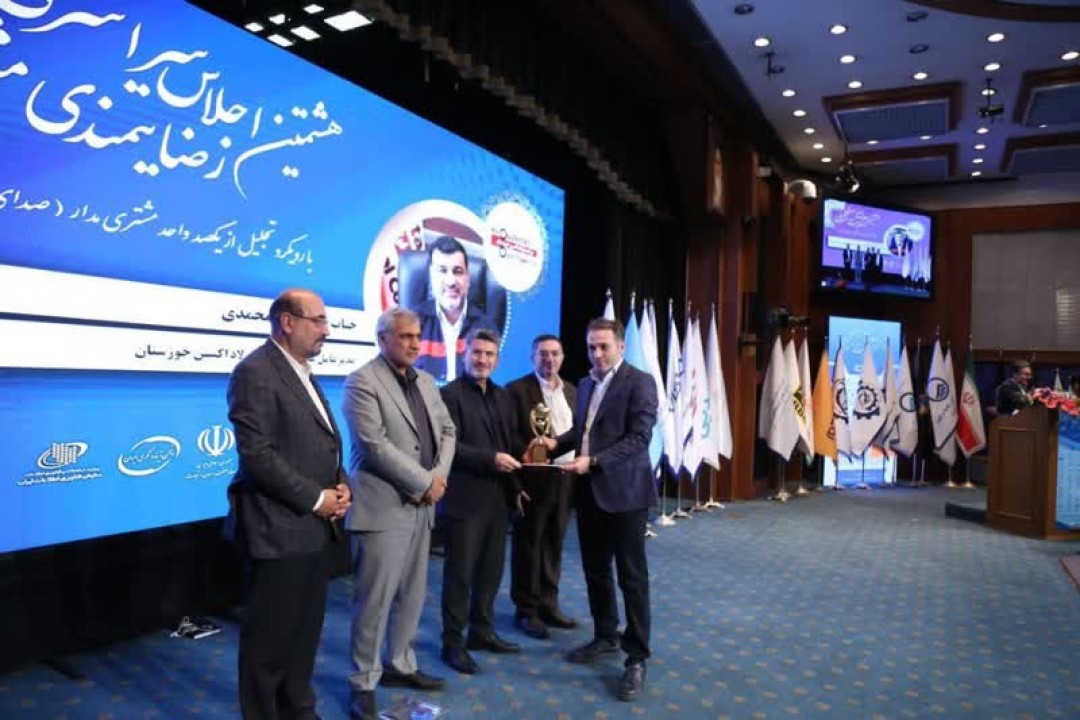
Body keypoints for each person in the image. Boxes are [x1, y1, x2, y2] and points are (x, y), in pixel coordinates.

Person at [224, 288, 352, 720]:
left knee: (303, 637)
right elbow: (257, 455)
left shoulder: (302, 372)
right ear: (287, 322)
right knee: (268, 645)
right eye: (318, 320)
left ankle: (298, 710)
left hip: (313, 531)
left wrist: (341, 484)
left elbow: (320, 443)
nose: (326, 330)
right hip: (277, 530)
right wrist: (317, 499)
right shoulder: (255, 372)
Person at [341, 307, 457, 720]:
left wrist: (438, 478)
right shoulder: (361, 381)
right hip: (382, 508)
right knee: (374, 602)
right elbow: (374, 446)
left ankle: (400, 663)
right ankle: (363, 681)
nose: (413, 343)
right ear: (382, 338)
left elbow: (448, 431)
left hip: (423, 507)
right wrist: (426, 482)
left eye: (417, 336)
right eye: (405, 336)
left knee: (412, 594)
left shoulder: (425, 380)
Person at [539, 318, 658, 702]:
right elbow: (583, 432)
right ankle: (605, 635)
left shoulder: (640, 382)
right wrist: (554, 444)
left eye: (604, 346)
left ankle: (636, 656)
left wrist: (593, 462)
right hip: (589, 493)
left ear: (621, 347)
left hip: (626, 494)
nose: (597, 354)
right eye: (592, 347)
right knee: (596, 571)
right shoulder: (587, 384)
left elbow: (639, 439)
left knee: (631, 577)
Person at [438, 329, 526, 674]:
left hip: (497, 499)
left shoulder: (503, 397)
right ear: (465, 354)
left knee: (491, 571)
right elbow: (450, 448)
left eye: (489, 354)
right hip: (463, 499)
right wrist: (491, 460)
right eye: (477, 353)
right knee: (459, 575)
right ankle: (452, 642)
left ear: (497, 360)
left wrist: (516, 486)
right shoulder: (448, 395)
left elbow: (509, 444)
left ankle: (481, 632)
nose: (482, 360)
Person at [506, 334, 579, 640]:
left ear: (562, 357)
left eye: (555, 353)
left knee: (554, 543)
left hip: (566, 478)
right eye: (543, 354)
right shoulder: (516, 390)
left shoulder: (573, 391)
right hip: (533, 480)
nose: (549, 359)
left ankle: (549, 604)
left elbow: (576, 432)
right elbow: (509, 436)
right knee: (529, 545)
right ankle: (526, 609)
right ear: (532, 357)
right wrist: (517, 475)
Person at [413, 235, 497, 384]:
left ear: (468, 278)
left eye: (458, 271)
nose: (451, 281)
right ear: (431, 276)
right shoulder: (411, 324)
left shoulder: (486, 328)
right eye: (442, 270)